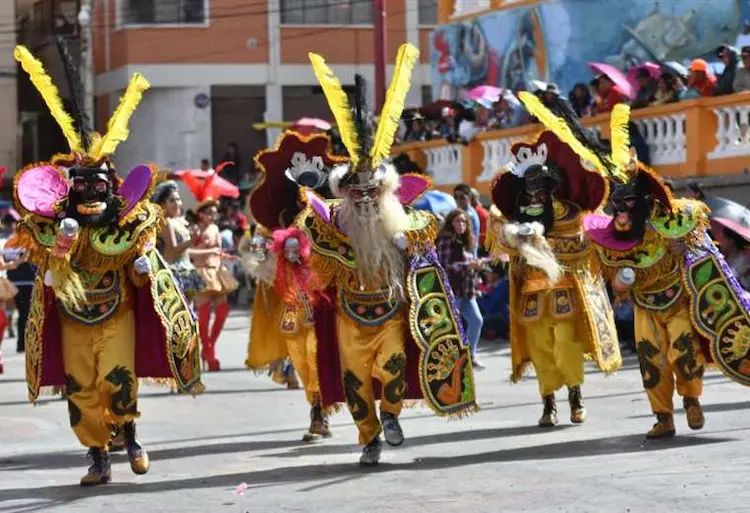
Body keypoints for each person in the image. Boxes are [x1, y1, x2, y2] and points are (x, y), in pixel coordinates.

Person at [10, 43, 202, 485]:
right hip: (73, 318)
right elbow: (50, 272)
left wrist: (141, 270)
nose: (92, 192)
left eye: (99, 184)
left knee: (117, 381)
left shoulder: (131, 225)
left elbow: (143, 265)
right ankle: (97, 455)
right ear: (70, 190)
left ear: (111, 187)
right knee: (81, 391)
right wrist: (60, 247)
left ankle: (130, 435)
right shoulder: (51, 228)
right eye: (84, 186)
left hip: (117, 314)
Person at [303, 46, 477, 465]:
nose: (364, 200)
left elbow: (425, 236)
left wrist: (407, 244)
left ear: (384, 192)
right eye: (356, 193)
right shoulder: (332, 226)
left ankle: (392, 415)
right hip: (349, 315)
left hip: (389, 311)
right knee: (356, 381)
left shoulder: (403, 221)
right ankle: (369, 438)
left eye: (372, 193)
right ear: (346, 194)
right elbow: (319, 257)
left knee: (394, 369)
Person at [583, 104, 750, 439]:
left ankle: (691, 400)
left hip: (677, 302)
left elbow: (705, 255)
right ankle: (662, 416)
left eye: (630, 201)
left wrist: (683, 249)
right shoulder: (612, 238)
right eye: (619, 203)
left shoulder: (675, 222)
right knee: (650, 361)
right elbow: (615, 284)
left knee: (683, 351)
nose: (624, 209)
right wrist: (621, 283)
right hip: (645, 305)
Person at [485, 92, 622, 427]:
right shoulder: (515, 218)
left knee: (565, 342)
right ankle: (549, 404)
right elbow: (499, 233)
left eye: (539, 191)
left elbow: (579, 246)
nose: (534, 197)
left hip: (564, 292)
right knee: (541, 349)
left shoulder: (570, 214)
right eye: (528, 192)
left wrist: (542, 245)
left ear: (550, 190)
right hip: (532, 295)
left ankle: (575, 397)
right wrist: (517, 238)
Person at [243, 129, 348, 440]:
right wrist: (264, 253)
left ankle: (321, 411)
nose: (305, 191)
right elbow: (259, 248)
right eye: (300, 184)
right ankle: (315, 404)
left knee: (318, 355)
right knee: (300, 359)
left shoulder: (334, 217)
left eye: (311, 183)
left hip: (324, 303)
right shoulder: (280, 218)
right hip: (291, 304)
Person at [191, 197, 240, 371]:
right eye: (209, 213)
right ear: (201, 215)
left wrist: (226, 256)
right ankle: (211, 354)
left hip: (218, 272)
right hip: (201, 272)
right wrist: (204, 245)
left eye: (214, 213)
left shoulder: (216, 229)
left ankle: (208, 347)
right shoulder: (195, 230)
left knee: (222, 312)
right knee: (203, 316)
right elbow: (188, 253)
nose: (213, 216)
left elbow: (217, 252)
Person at [436, 210, 486, 369]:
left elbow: (469, 262)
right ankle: (449, 360)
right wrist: (467, 267)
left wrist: (478, 265)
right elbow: (443, 266)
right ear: (451, 223)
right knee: (451, 327)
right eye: (458, 221)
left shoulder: (467, 241)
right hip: (452, 290)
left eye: (464, 222)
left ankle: (470, 355)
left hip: (467, 290)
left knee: (476, 321)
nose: (461, 225)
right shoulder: (446, 240)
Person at [151, 181, 206, 302]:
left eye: (178, 199)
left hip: (185, 270)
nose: (177, 203)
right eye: (172, 200)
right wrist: (191, 240)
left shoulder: (177, 221)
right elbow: (171, 253)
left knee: (189, 314)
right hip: (174, 272)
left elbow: (185, 251)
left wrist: (209, 252)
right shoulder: (166, 223)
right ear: (162, 204)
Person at [453, 184, 480, 254]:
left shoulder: (468, 215)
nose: (458, 200)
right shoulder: (462, 212)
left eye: (462, 197)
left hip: (467, 255)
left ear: (469, 198)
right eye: (455, 197)